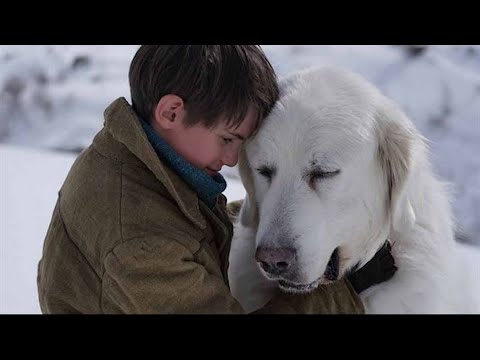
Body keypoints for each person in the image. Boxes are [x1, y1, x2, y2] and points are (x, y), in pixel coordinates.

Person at [37, 45, 396, 314]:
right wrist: (341, 291)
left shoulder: (128, 156)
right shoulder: (141, 243)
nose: (230, 159)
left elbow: (179, 225)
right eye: (227, 139)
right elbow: (156, 237)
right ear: (171, 112)